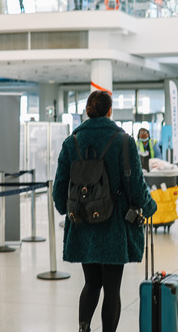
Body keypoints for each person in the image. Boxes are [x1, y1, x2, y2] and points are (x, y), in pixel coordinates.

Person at [53, 91, 157, 332]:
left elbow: (59, 187)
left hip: (82, 223)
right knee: (112, 288)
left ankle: (83, 328)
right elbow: (135, 185)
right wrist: (150, 206)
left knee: (91, 283)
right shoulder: (123, 141)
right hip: (113, 225)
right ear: (110, 111)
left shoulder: (72, 141)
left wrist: (64, 209)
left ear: (88, 111)